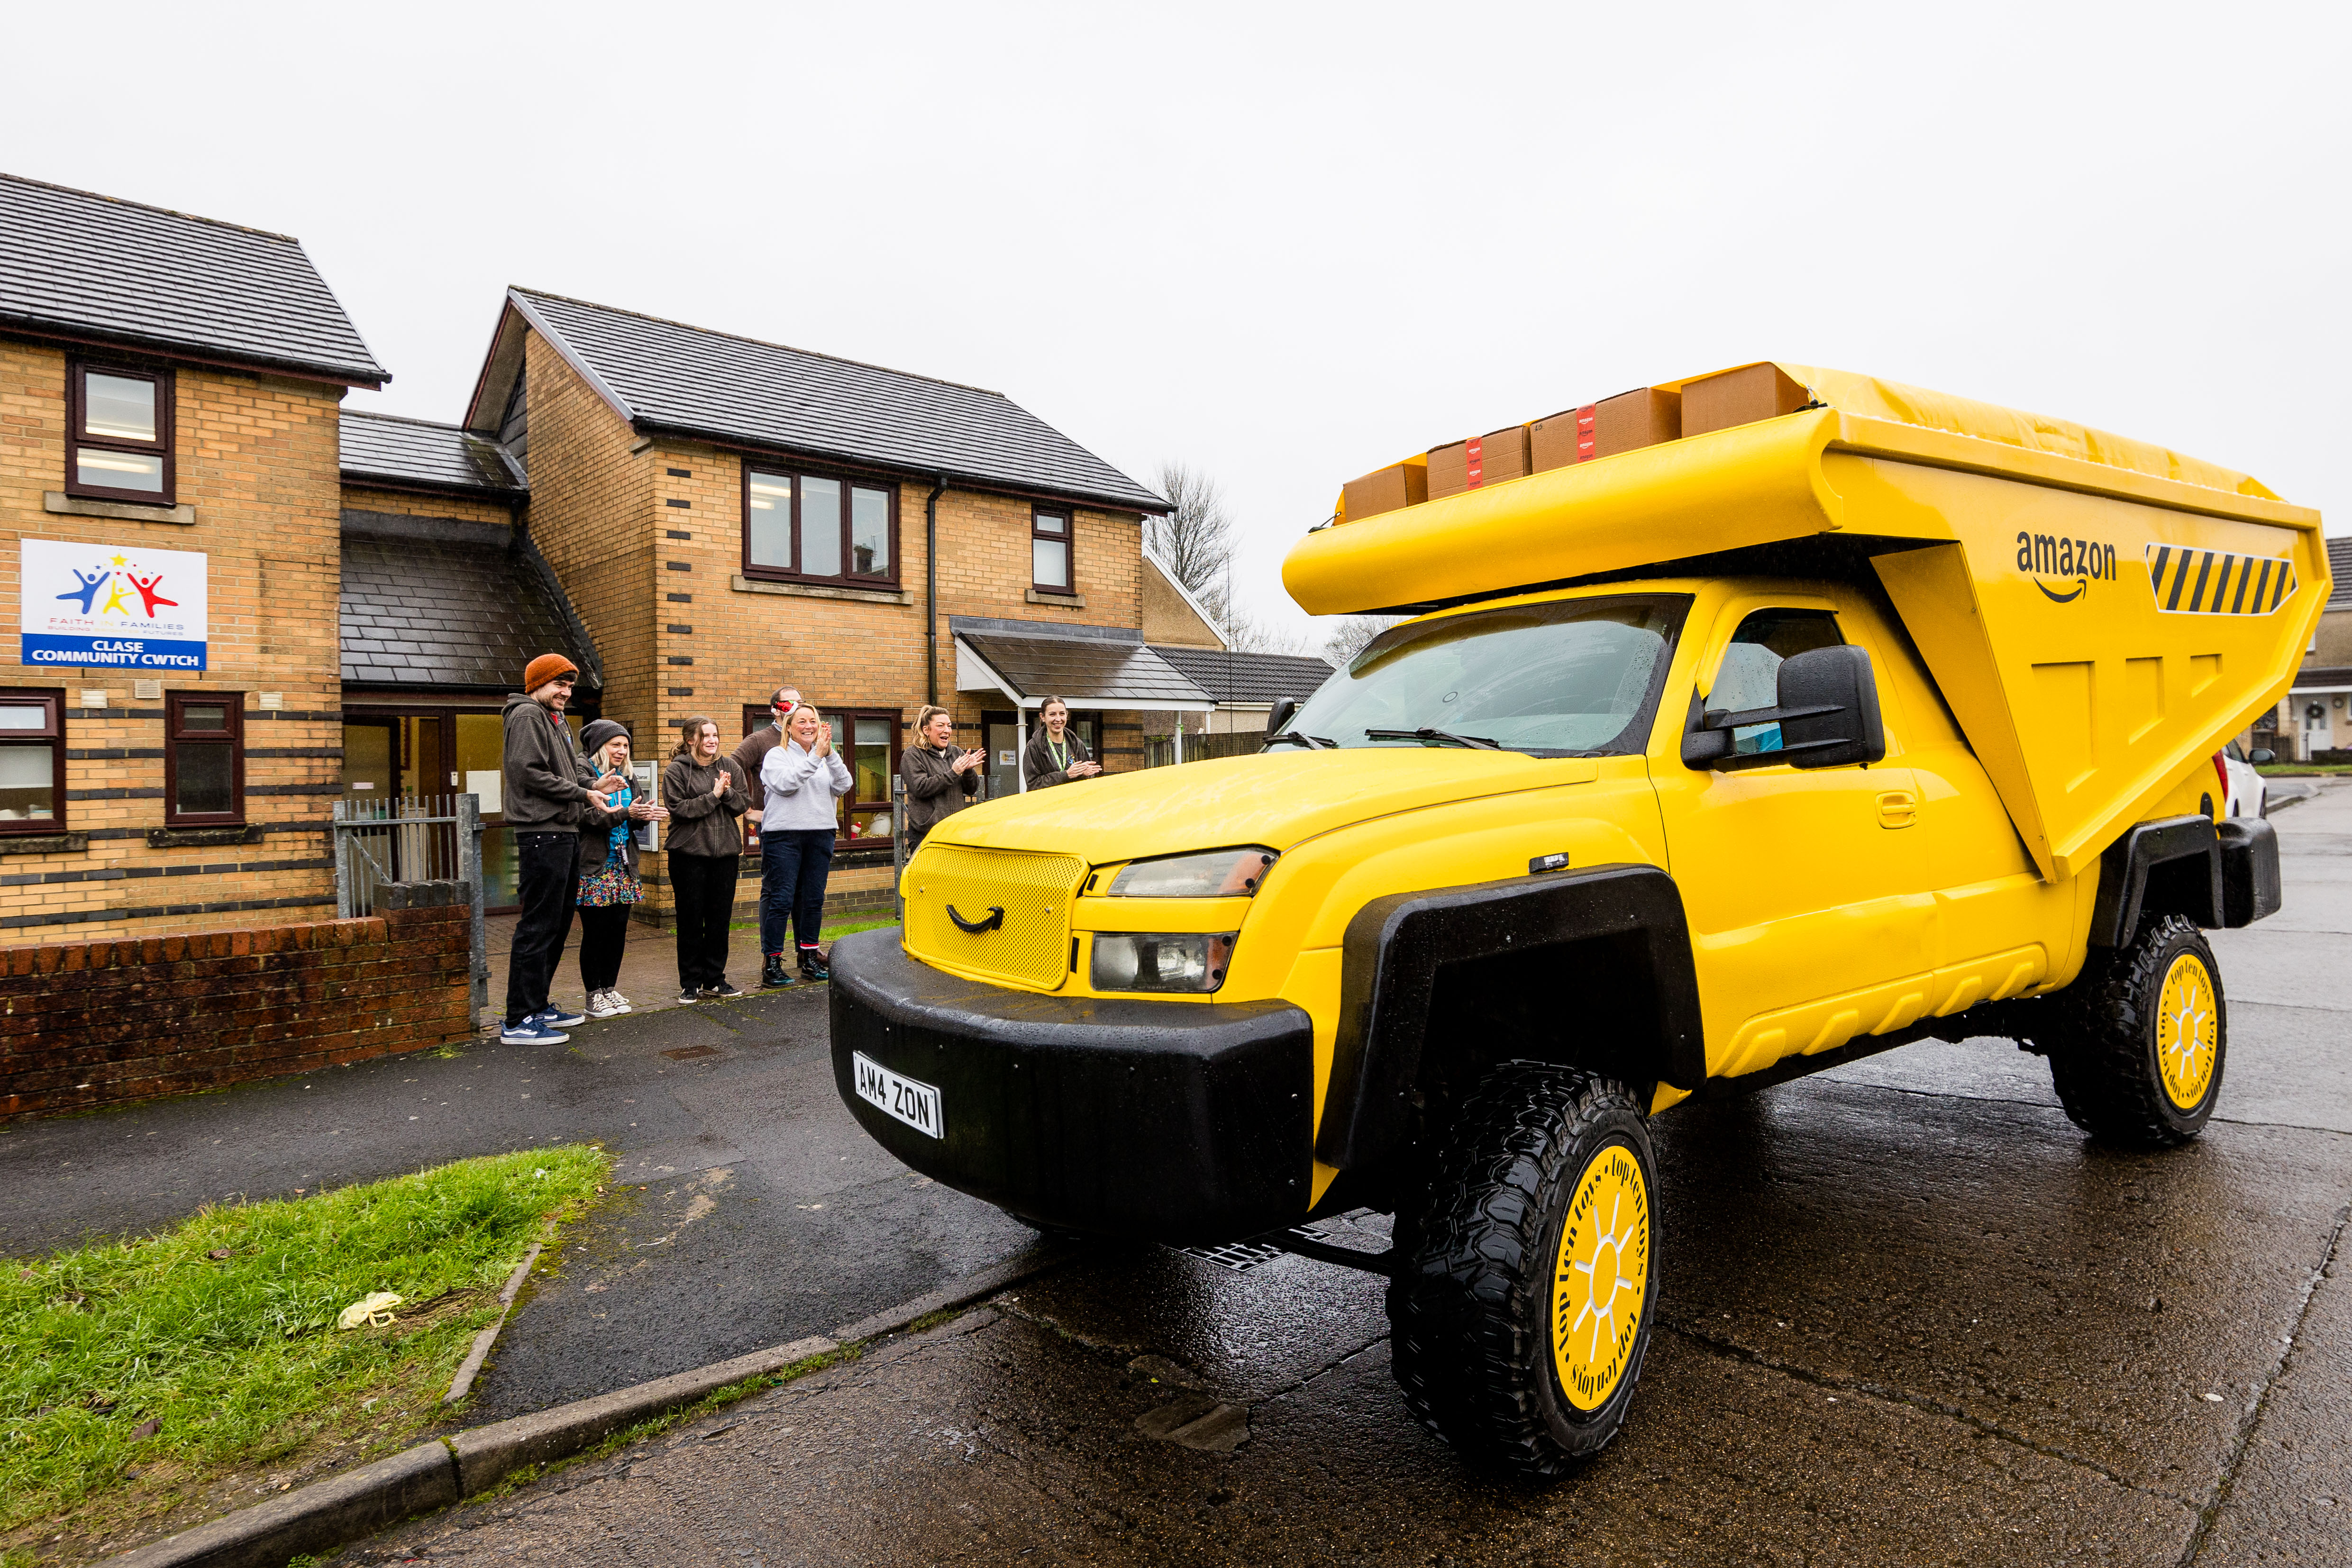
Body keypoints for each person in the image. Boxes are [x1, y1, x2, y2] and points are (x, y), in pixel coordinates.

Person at [499, 654, 619, 1044]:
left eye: (570, 686)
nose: (566, 693)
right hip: (541, 833)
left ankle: (538, 1005)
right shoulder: (527, 715)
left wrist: (594, 790)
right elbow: (528, 773)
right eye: (559, 685)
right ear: (537, 684)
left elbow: (560, 775)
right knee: (538, 926)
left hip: (562, 831)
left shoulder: (555, 719)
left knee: (558, 923)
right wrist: (584, 792)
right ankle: (518, 1020)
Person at [575, 720, 667, 1018]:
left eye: (625, 745)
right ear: (600, 746)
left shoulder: (628, 775)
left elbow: (632, 816)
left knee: (617, 932)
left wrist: (644, 815)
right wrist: (627, 813)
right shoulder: (583, 772)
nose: (622, 750)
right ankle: (593, 994)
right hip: (595, 866)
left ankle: (609, 989)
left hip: (625, 866)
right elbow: (588, 818)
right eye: (615, 744)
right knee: (596, 932)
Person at [758, 702, 853, 987]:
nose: (809, 726)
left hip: (821, 832)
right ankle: (772, 963)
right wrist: (815, 758)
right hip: (784, 836)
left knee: (814, 899)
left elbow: (845, 784)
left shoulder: (825, 757)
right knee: (782, 899)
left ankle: (810, 959)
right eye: (801, 722)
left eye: (813, 721)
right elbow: (787, 784)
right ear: (788, 727)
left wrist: (830, 754)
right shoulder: (778, 755)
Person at [663, 715, 750, 1003]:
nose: (712, 741)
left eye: (715, 735)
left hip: (725, 854)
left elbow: (743, 806)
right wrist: (713, 795)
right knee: (690, 919)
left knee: (719, 920)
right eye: (706, 736)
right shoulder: (677, 771)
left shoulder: (731, 767)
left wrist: (726, 793)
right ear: (691, 741)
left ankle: (715, 979)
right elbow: (679, 809)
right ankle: (690, 983)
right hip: (688, 855)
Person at [900, 705, 984, 858]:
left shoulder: (957, 753)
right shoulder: (913, 755)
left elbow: (971, 790)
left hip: (955, 832)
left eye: (949, 726)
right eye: (941, 726)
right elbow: (920, 787)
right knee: (926, 882)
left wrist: (968, 771)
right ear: (926, 730)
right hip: (927, 834)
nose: (947, 730)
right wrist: (953, 773)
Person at [1021, 696, 1103, 789]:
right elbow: (1033, 784)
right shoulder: (1034, 747)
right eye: (1053, 715)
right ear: (1043, 717)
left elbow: (1084, 783)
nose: (1058, 719)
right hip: (1047, 803)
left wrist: (1083, 774)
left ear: (1067, 715)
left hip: (1072, 801)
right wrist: (1065, 775)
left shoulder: (1077, 744)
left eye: (1062, 714)